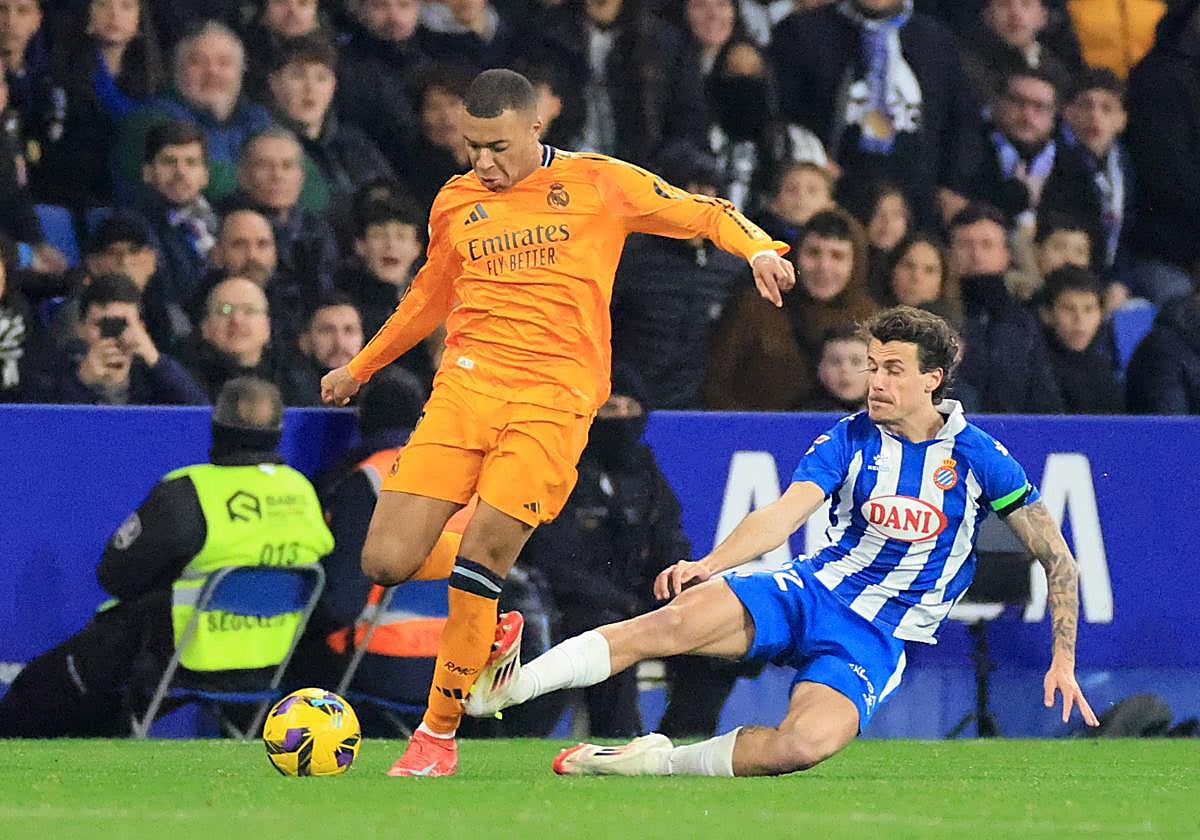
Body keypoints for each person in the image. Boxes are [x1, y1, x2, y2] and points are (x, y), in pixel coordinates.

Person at [319, 68, 794, 777]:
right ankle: (497, 613)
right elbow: (428, 296)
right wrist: (362, 367)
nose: (483, 162)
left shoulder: (600, 182)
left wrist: (758, 245)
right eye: (471, 146)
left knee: (479, 558)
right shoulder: (456, 200)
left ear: (536, 126)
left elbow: (702, 211)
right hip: (463, 392)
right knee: (384, 559)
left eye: (497, 146)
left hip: (553, 401)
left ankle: (436, 737)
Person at [464, 305, 1100, 776]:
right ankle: (510, 686)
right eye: (872, 365)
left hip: (876, 635)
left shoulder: (980, 457)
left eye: (893, 370)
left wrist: (1063, 658)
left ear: (933, 379)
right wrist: (709, 563)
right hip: (811, 590)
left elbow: (1057, 557)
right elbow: (784, 513)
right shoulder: (849, 437)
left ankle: (653, 762)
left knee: (802, 746)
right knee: (671, 622)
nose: (875, 381)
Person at [0, 377, 333, 737]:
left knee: (39, 687)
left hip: (179, 660)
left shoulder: (190, 492)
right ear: (277, 431)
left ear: (217, 426)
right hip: (270, 663)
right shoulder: (301, 492)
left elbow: (114, 575)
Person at [35, 272, 206, 405]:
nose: (112, 335)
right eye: (101, 324)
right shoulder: (52, 370)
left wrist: (155, 360)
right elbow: (44, 429)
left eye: (122, 324)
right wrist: (81, 382)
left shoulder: (153, 374)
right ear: (81, 328)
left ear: (141, 328)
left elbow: (200, 416)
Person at [1036, 266, 1123, 414]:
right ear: (1046, 314)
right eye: (1069, 309)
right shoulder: (1035, 369)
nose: (1079, 319)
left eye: (1089, 309)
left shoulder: (1103, 371)